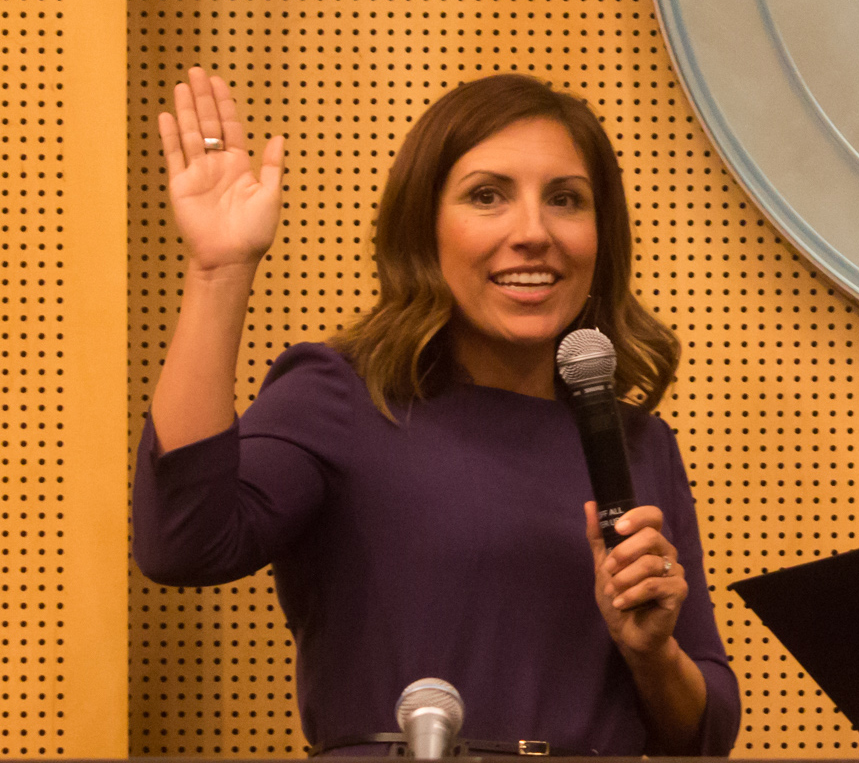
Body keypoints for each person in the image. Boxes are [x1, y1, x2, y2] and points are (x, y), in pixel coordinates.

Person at [132, 69, 741, 756]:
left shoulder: (636, 442)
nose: (533, 232)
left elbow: (706, 731)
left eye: (566, 200)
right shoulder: (343, 395)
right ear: (426, 227)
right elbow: (182, 540)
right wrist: (218, 273)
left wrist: (652, 652)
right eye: (488, 196)